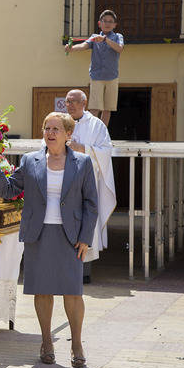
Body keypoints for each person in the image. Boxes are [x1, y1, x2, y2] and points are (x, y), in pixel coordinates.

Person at [0, 111, 98, 368]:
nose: (50, 133)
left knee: (72, 292)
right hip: (39, 234)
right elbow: (10, 190)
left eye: (56, 129)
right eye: (47, 128)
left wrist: (85, 237)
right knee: (43, 291)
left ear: (68, 135)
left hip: (71, 237)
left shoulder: (82, 163)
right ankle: (46, 341)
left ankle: (76, 342)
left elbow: (91, 203)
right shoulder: (30, 160)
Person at [64, 89, 116, 283]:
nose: (70, 105)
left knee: (86, 223)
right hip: (63, 182)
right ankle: (65, 268)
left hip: (86, 182)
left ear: (84, 104)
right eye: (68, 102)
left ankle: (84, 272)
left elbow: (106, 150)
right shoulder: (59, 121)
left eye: (74, 102)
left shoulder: (97, 125)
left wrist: (83, 149)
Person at [64, 9, 124, 127]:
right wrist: (71, 48)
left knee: (108, 109)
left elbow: (120, 49)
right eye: (105, 21)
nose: (107, 23)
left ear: (114, 25)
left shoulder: (118, 36)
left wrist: (105, 40)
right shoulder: (94, 37)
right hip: (97, 77)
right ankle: (90, 132)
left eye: (110, 21)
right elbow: (83, 45)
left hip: (112, 77)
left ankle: (102, 133)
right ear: (99, 23)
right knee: (95, 108)